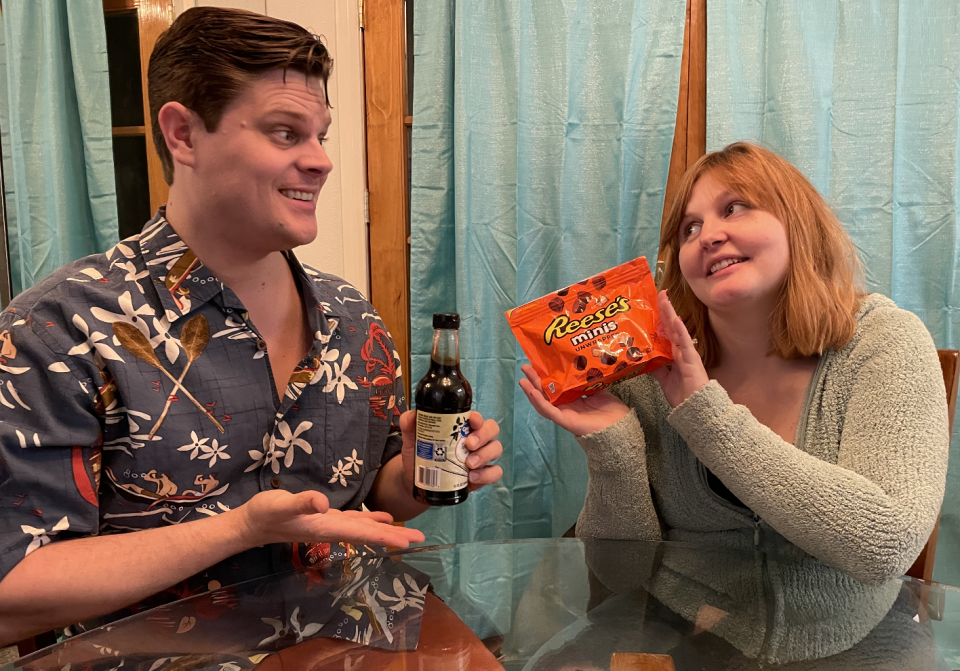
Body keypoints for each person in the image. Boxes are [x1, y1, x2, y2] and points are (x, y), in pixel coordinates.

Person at [0, 7, 502, 643]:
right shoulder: (60, 331)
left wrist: (422, 476)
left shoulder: (354, 319)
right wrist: (240, 530)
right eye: (286, 134)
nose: (321, 161)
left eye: (321, 135)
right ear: (183, 134)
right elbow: (11, 588)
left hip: (361, 644)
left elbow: (367, 502)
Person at [521, 141, 948, 587]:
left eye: (736, 207)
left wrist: (706, 415)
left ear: (797, 223)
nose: (708, 236)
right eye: (689, 228)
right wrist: (615, 447)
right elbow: (620, 580)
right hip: (681, 642)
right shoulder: (646, 373)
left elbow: (885, 547)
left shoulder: (883, 340)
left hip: (849, 648)